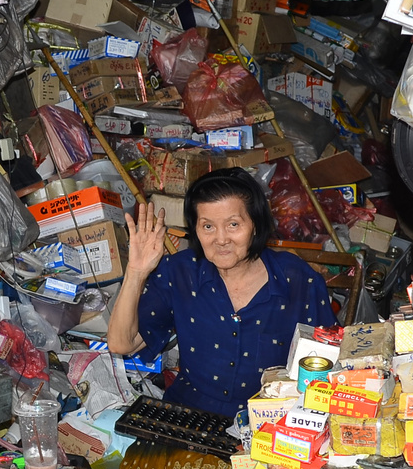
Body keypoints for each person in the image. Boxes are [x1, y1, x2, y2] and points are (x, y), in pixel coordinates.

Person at [107, 168, 338, 419]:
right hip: (190, 415)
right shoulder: (180, 273)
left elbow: (328, 363)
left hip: (269, 422)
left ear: (256, 226)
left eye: (233, 225)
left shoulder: (297, 280)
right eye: (207, 226)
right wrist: (136, 272)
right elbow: (122, 343)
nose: (221, 239)